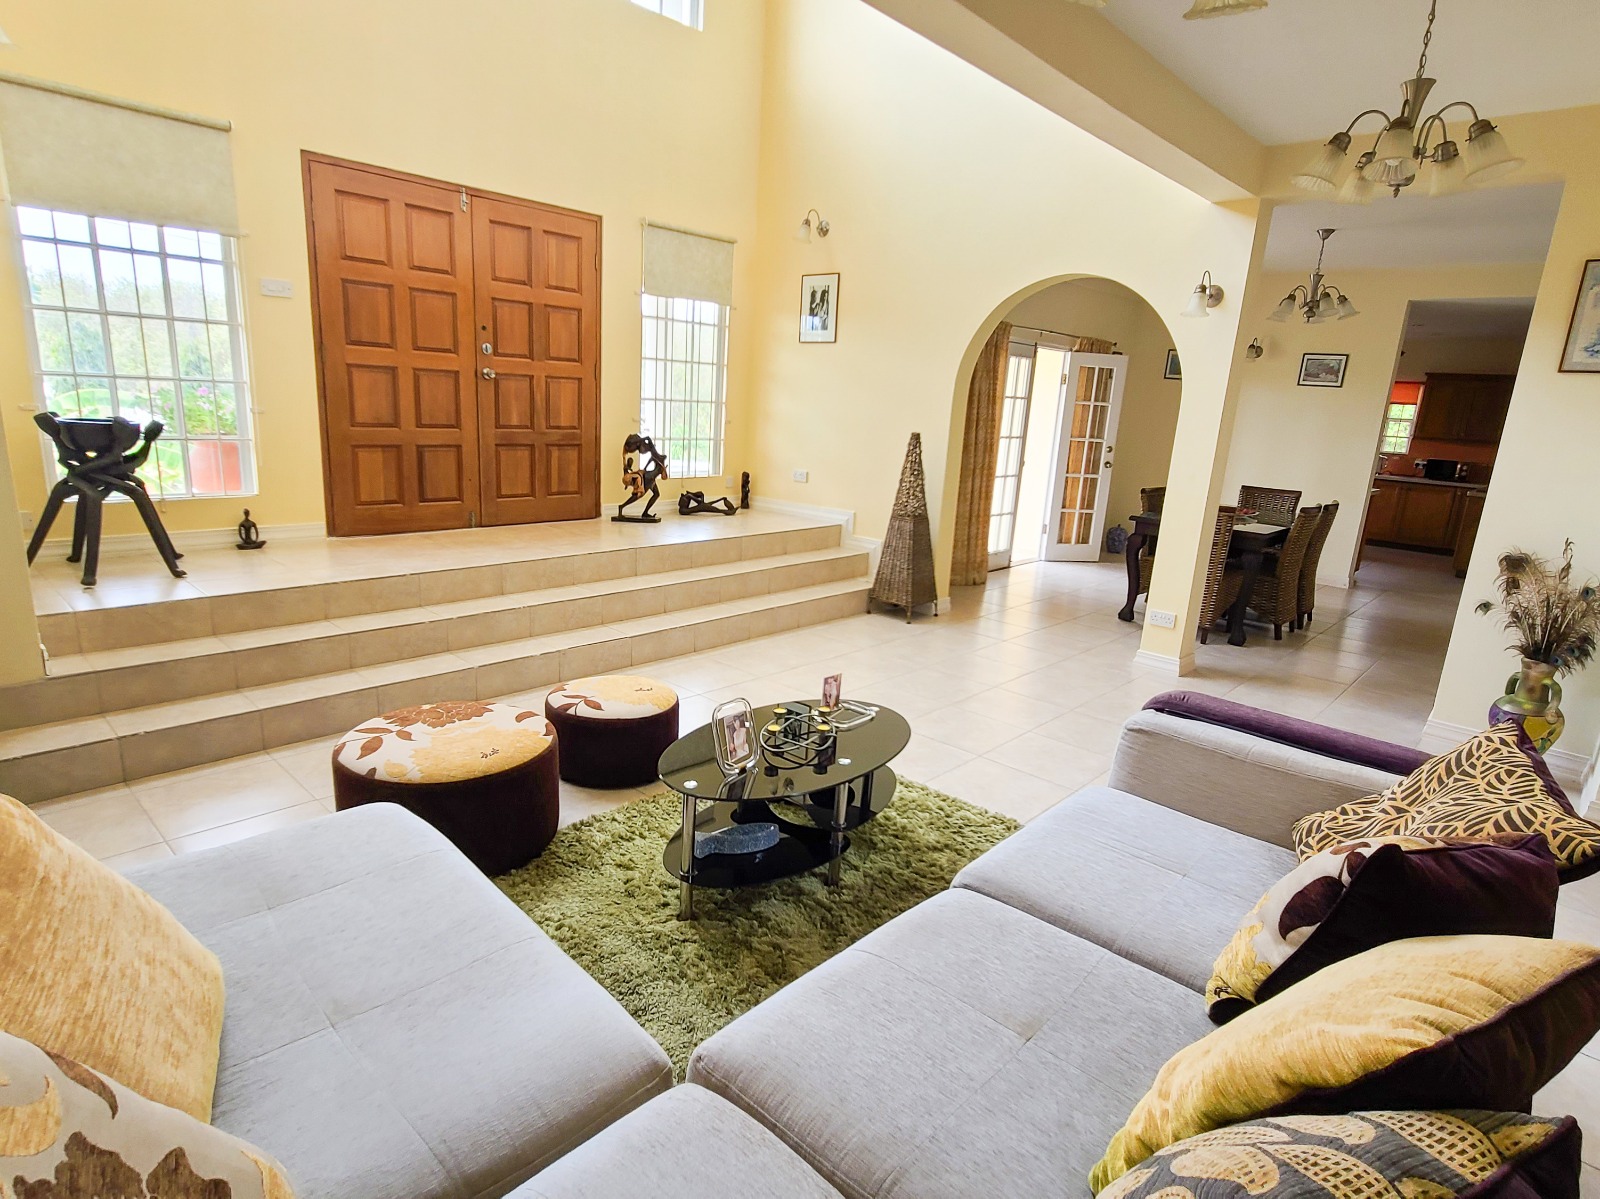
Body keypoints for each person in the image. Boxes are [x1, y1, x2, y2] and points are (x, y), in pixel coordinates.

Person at [617, 433, 668, 520]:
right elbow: (652, 458)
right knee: (638, 495)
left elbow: (653, 459)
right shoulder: (656, 456)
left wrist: (645, 468)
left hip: (651, 477)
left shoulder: (656, 456)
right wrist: (645, 439)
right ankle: (621, 507)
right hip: (649, 477)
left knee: (656, 494)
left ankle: (644, 512)